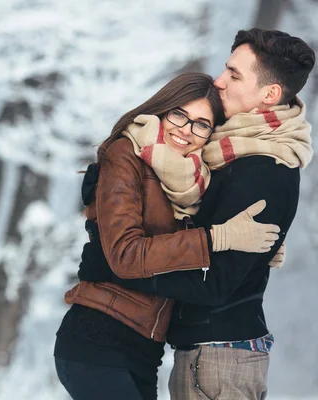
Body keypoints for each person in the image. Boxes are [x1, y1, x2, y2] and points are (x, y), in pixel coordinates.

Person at [75, 28, 315, 400]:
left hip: (220, 355)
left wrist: (111, 268)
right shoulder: (222, 157)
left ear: (269, 94)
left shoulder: (262, 167)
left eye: (234, 75)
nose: (219, 81)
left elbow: (215, 282)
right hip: (200, 353)